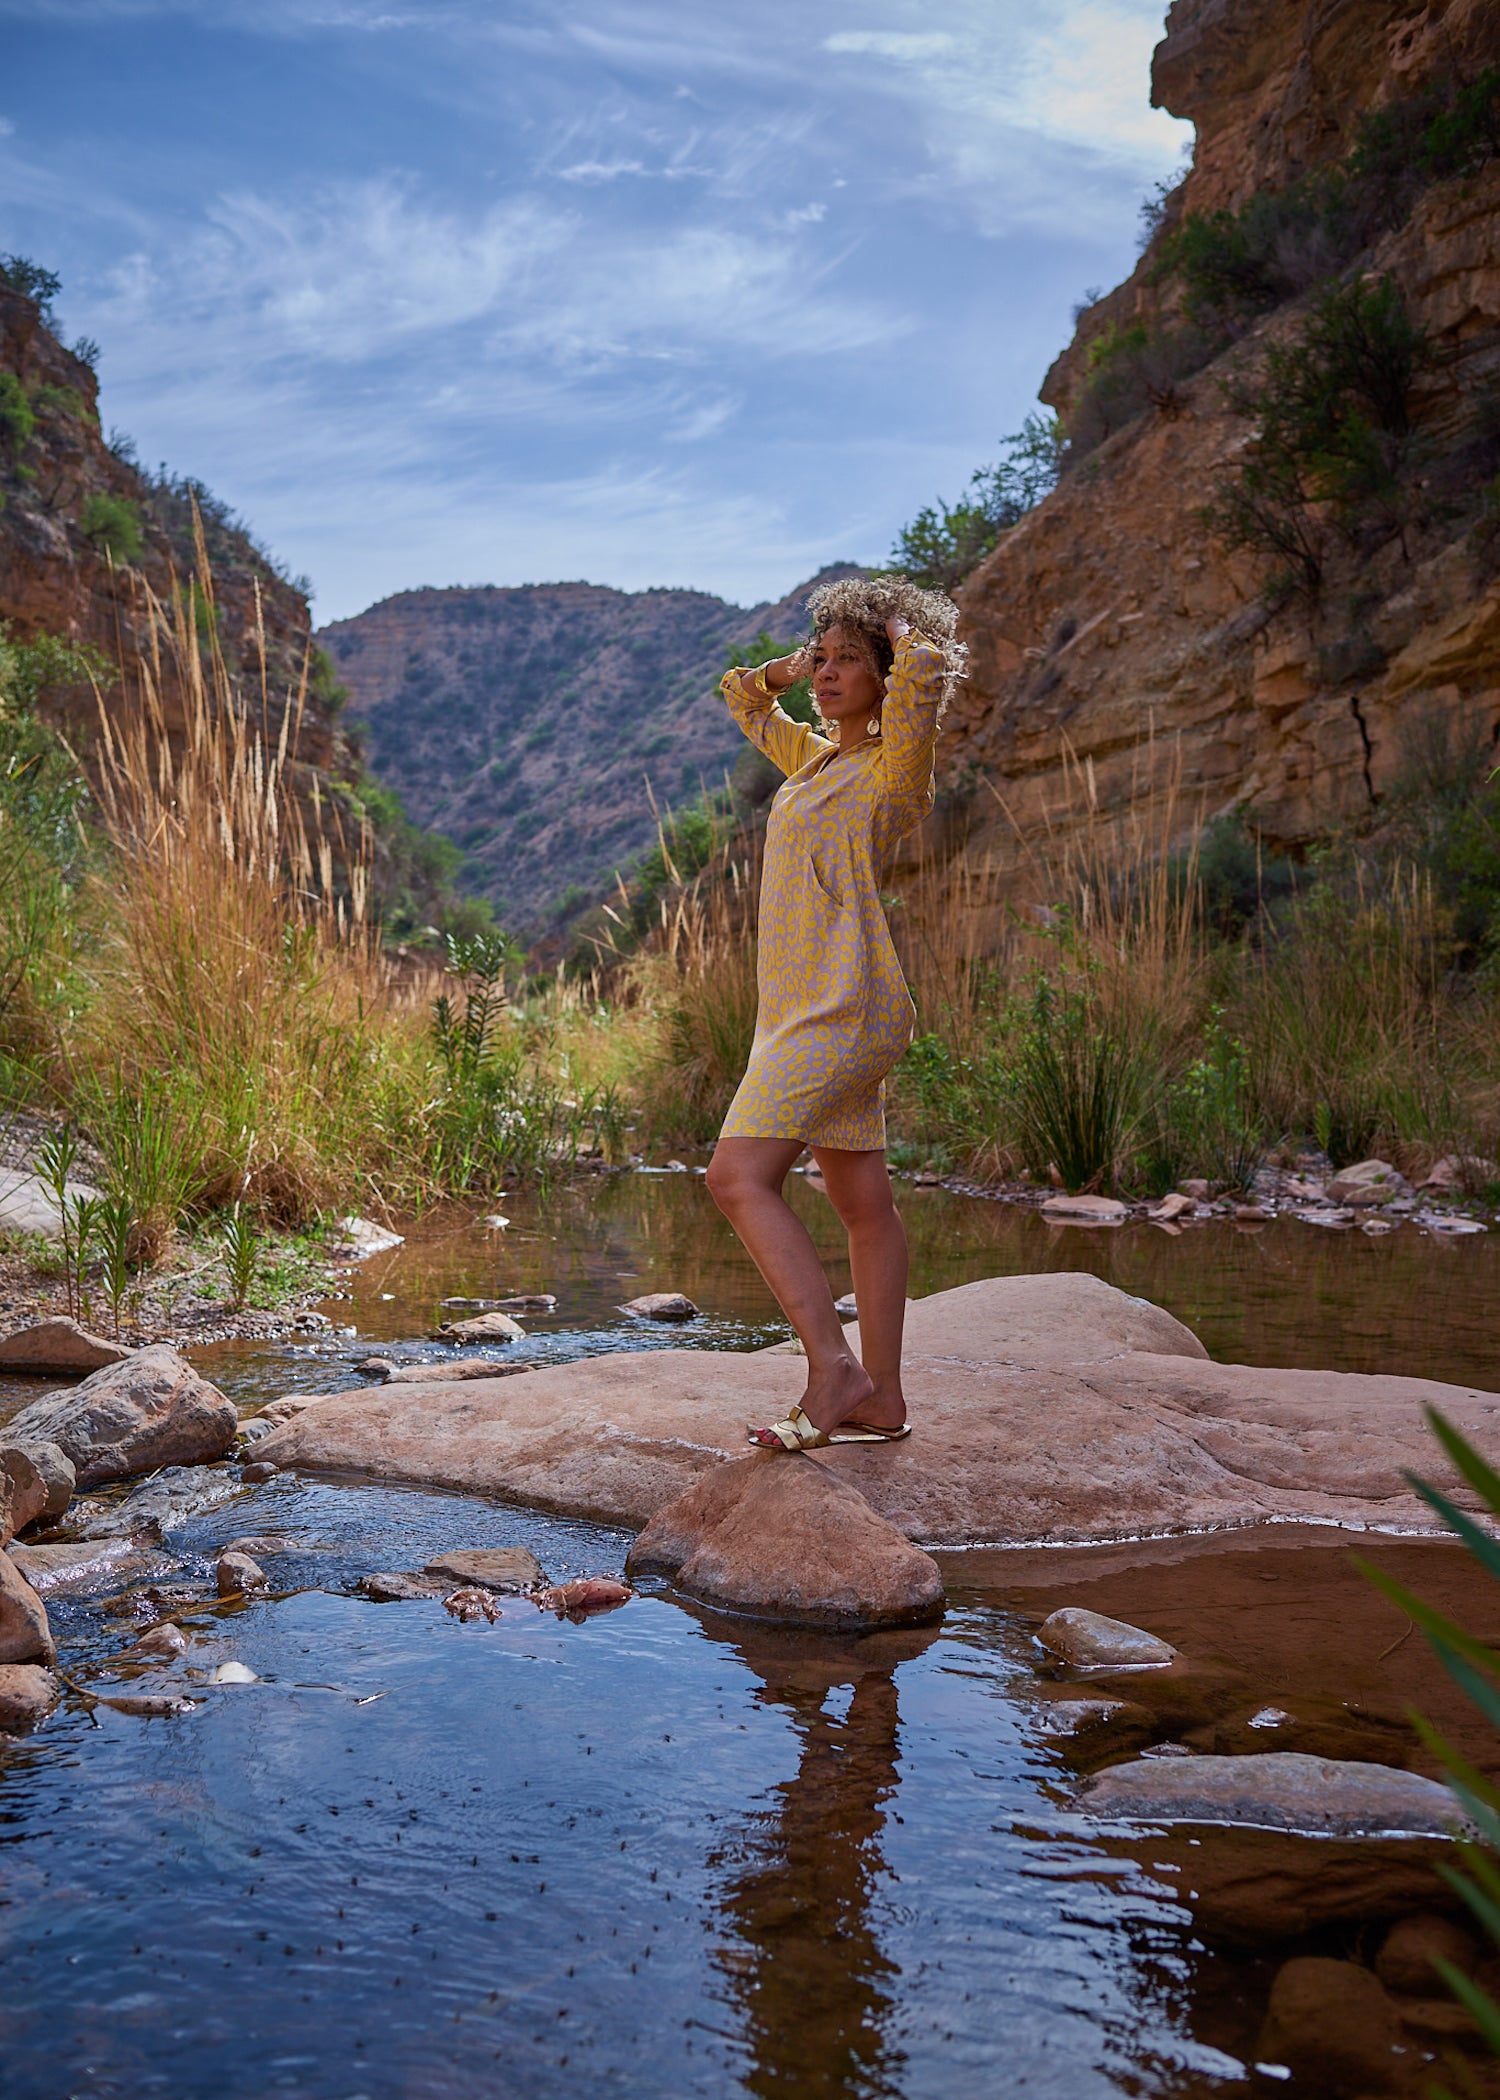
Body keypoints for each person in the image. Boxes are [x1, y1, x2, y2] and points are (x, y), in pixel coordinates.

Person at [704, 576, 965, 1452]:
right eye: (824, 657)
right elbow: (739, 699)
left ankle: (833, 1368)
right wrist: (787, 667)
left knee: (735, 1177)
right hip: (797, 1010)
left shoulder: (896, 769)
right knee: (863, 1206)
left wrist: (893, 629)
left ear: (884, 672)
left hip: (843, 1006)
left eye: (849, 660)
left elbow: (927, 666)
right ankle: (882, 1397)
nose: (828, 672)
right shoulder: (814, 759)